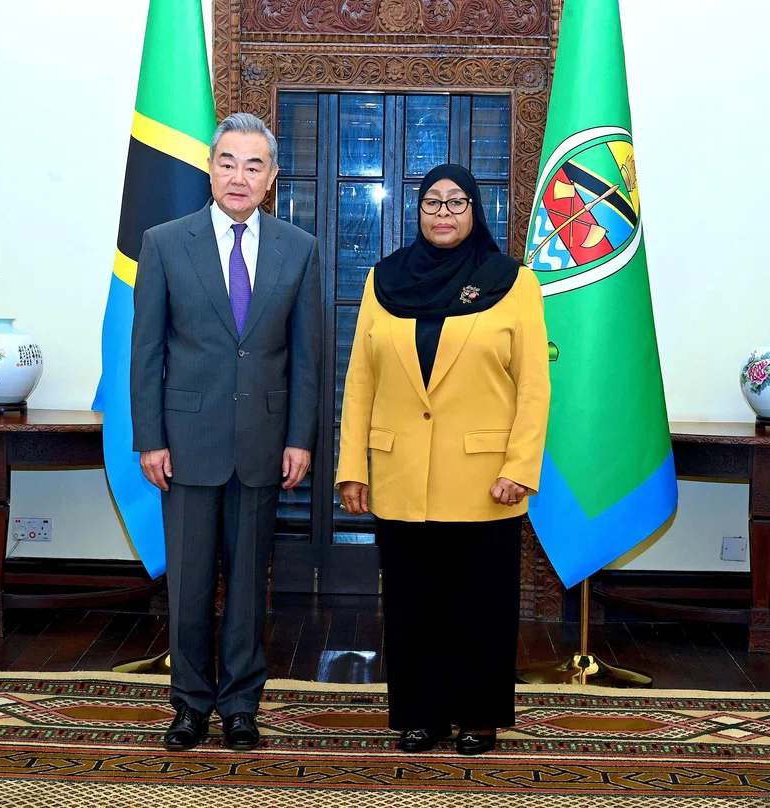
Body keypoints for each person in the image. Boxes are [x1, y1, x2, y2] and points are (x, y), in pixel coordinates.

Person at [336, 164, 550, 755]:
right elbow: (360, 382)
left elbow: (534, 386)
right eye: (433, 202)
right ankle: (421, 715)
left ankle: (478, 716)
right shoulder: (384, 281)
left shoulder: (512, 282)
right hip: (402, 475)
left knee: (479, 603)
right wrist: (352, 465)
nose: (444, 213)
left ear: (476, 209)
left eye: (457, 202)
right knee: (412, 604)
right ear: (417, 211)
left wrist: (519, 466)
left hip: (486, 480)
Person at [130, 112, 322, 752]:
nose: (239, 176)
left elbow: (308, 357)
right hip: (183, 443)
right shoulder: (162, 243)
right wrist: (149, 438)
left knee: (247, 582)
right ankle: (189, 705)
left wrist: (301, 438)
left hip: (264, 442)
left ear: (272, 177)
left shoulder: (300, 248)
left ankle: (241, 704)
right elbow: (147, 351)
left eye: (254, 165)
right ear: (210, 169)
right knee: (187, 585)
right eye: (227, 162)